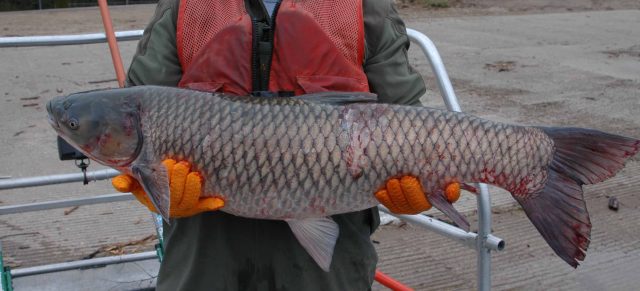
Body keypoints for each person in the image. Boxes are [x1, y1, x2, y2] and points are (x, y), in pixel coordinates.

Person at [112, 0, 461, 290]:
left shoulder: (365, 6)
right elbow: (133, 116)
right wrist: (148, 183)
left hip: (331, 251)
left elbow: (410, 122)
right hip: (204, 251)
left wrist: (423, 181)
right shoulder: (181, 6)